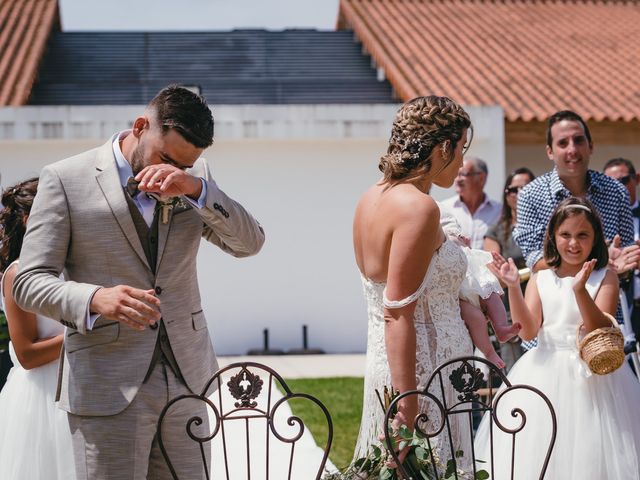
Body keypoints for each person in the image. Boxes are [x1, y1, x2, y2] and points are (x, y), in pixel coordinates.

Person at [13, 85, 265, 479]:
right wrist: (95, 298)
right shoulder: (64, 179)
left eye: (186, 165)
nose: (173, 170)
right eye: (166, 158)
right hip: (106, 384)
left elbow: (250, 244)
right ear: (141, 126)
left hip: (187, 378)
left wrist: (197, 189)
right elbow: (27, 281)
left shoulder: (191, 184)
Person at [475, 197, 640, 479]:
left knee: (594, 448)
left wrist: (580, 291)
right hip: (544, 369)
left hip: (595, 374)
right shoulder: (541, 278)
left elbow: (598, 326)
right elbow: (527, 331)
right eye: (565, 235)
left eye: (582, 235)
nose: (573, 243)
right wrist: (514, 286)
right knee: (541, 447)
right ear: (553, 236)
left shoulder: (605, 276)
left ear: (594, 238)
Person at [352, 95, 474, 466]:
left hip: (390, 365)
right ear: (444, 148)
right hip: (422, 374)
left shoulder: (370, 197)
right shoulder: (418, 208)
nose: (463, 161)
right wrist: (408, 408)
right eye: (462, 149)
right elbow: (397, 312)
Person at [513, 110, 640, 350]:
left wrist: (625, 264)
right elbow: (535, 260)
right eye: (563, 143)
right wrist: (600, 261)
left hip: (602, 327)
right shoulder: (530, 195)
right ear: (550, 151)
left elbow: (624, 256)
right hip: (549, 325)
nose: (572, 149)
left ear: (591, 146)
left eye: (579, 140)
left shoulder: (616, 192)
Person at [0, 178, 76, 479]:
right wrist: (85, 335)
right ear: (32, 219)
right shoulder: (18, 273)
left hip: (81, 382)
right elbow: (27, 354)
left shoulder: (73, 263)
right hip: (43, 397)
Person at [440, 210, 520, 369]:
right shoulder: (436, 242)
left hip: (472, 281)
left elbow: (465, 242)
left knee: (492, 295)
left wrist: (462, 240)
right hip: (457, 294)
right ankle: (489, 352)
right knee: (476, 317)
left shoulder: (454, 233)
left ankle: (501, 327)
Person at [483, 168, 535, 367]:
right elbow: (494, 277)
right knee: (515, 374)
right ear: (506, 195)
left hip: (542, 307)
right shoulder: (497, 231)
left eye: (526, 187)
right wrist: (532, 271)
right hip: (510, 312)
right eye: (514, 190)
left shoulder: (549, 227)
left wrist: (513, 274)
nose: (520, 193)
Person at [603, 157, 640, 344]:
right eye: (612, 182)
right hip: (621, 304)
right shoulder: (601, 218)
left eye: (624, 180)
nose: (618, 186)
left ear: (637, 179)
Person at [440, 156, 501, 249]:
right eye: (456, 174)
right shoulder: (444, 208)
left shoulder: (500, 211)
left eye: (462, 174)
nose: (457, 179)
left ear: (481, 178)